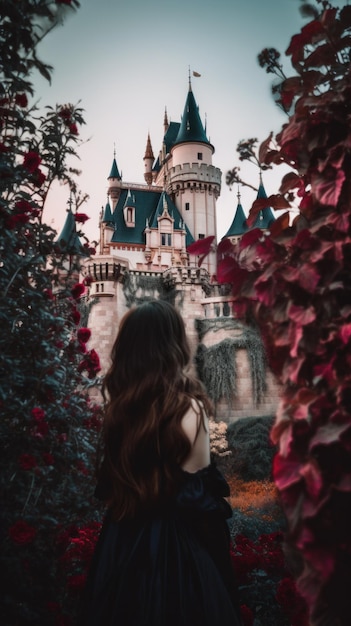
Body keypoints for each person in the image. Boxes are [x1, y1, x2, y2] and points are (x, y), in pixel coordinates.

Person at [78, 299, 242, 626]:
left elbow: (111, 487)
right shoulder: (188, 409)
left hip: (121, 543)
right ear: (174, 345)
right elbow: (198, 500)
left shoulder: (118, 409)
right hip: (177, 553)